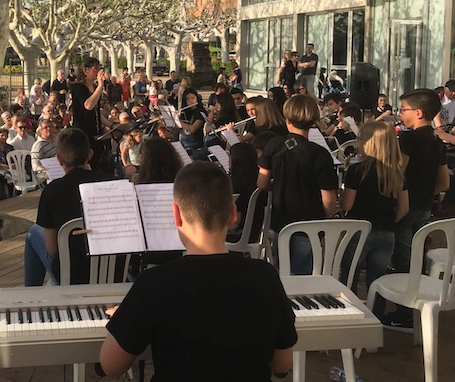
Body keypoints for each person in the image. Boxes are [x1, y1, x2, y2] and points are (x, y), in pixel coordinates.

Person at [99, 161, 296, 380]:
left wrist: (126, 317)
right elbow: (281, 365)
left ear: (176, 215)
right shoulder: (265, 276)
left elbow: (111, 365)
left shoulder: (154, 283)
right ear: (232, 214)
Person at [387, 89, 449, 329]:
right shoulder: (436, 141)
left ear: (418, 112)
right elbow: (444, 183)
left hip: (405, 206)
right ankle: (417, 310)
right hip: (424, 207)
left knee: (403, 261)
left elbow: (397, 174)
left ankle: (405, 313)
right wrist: (425, 193)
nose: (401, 114)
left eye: (403, 109)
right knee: (417, 255)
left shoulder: (408, 139)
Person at [257, 95, 338, 275]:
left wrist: (278, 185)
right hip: (309, 224)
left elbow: (262, 183)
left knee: (283, 272)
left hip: (281, 219)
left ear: (287, 120)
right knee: (304, 275)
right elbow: (329, 201)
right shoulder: (320, 154)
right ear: (313, 121)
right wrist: (320, 214)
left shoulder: (274, 145)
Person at [23, 128, 114, 286]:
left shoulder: (51, 191)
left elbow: (52, 249)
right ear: (90, 154)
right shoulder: (114, 184)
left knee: (32, 233)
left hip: (70, 275)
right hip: (113, 271)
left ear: (59, 160)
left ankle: (31, 297)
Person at [339, 121, 409, 299]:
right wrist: (389, 221)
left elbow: (347, 205)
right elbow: (404, 208)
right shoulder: (396, 173)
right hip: (386, 232)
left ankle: (351, 314)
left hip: (359, 231)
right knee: (377, 281)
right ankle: (376, 315)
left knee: (349, 276)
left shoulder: (357, 170)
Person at [178, 89, 207, 160]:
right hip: (182, 139)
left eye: (192, 98)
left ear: (197, 98)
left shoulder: (201, 112)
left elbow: (192, 129)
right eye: (188, 99)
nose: (190, 100)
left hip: (194, 142)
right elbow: (178, 130)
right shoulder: (184, 112)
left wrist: (178, 122)